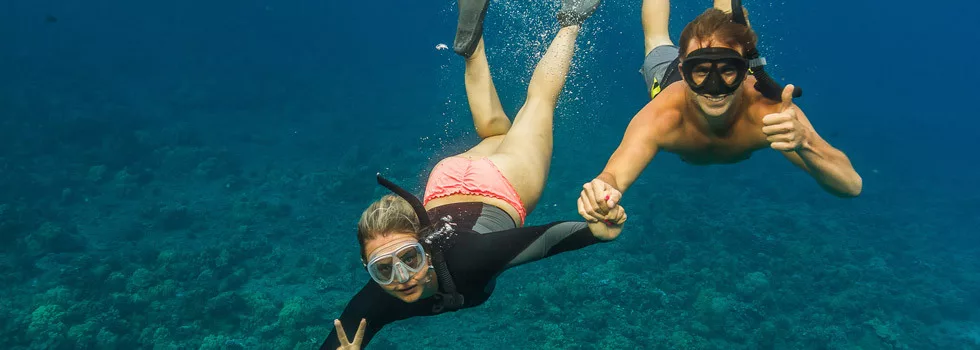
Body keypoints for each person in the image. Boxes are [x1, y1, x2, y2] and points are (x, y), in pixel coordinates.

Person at [320, 0, 622, 349]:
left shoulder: (469, 258)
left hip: (500, 182)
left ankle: (571, 19)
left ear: (425, 244)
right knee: (496, 132)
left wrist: (595, 232)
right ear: (366, 266)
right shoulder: (373, 301)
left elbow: (547, 238)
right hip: (444, 184)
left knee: (538, 103)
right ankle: (472, 47)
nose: (401, 277)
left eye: (409, 257)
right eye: (383, 269)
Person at [577, 0, 863, 222]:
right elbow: (612, 176)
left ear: (747, 71)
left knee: (732, 23)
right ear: (682, 70)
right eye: (700, 71)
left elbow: (851, 186)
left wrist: (806, 143)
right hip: (665, 80)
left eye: (728, 70)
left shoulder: (772, 114)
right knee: (656, 40)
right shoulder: (662, 117)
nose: (714, 87)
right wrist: (601, 193)